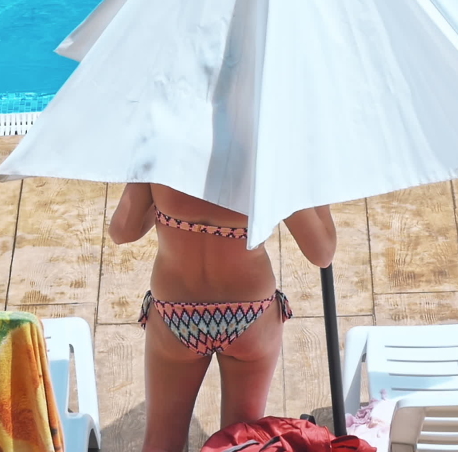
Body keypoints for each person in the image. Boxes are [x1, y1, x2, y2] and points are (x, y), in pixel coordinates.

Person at [108, 182, 337, 452]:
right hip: (250, 314)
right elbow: (322, 253)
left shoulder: (164, 157)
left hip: (176, 311)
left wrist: (163, 205)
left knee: (162, 443)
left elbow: (122, 231)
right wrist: (317, 185)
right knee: (239, 442)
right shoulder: (269, 164)